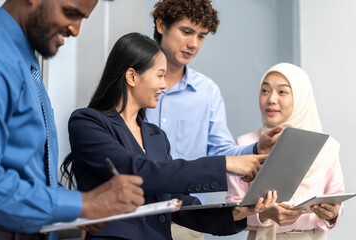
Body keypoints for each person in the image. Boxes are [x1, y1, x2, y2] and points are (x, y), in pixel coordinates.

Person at [64, 32, 281, 240]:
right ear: (131, 76)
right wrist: (224, 163)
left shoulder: (156, 136)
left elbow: (179, 205)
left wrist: (240, 211)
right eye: (160, 75)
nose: (164, 85)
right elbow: (139, 171)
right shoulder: (87, 123)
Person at [0, 0, 145, 239]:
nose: (75, 30)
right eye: (70, 13)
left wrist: (75, 209)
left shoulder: (24, 61)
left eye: (82, 19)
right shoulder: (0, 57)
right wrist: (82, 203)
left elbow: (28, 171)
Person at [146, 1, 280, 239]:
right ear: (161, 24)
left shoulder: (207, 92)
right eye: (186, 32)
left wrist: (256, 148)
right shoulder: (134, 83)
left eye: (201, 36)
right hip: (132, 217)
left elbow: (222, 152)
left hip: (186, 221)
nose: (193, 44)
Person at [226, 63, 345, 240]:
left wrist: (333, 213)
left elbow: (337, 199)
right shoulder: (247, 144)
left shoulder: (325, 146)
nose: (271, 99)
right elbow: (233, 208)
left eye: (282, 92)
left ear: (301, 97)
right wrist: (264, 214)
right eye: (265, 91)